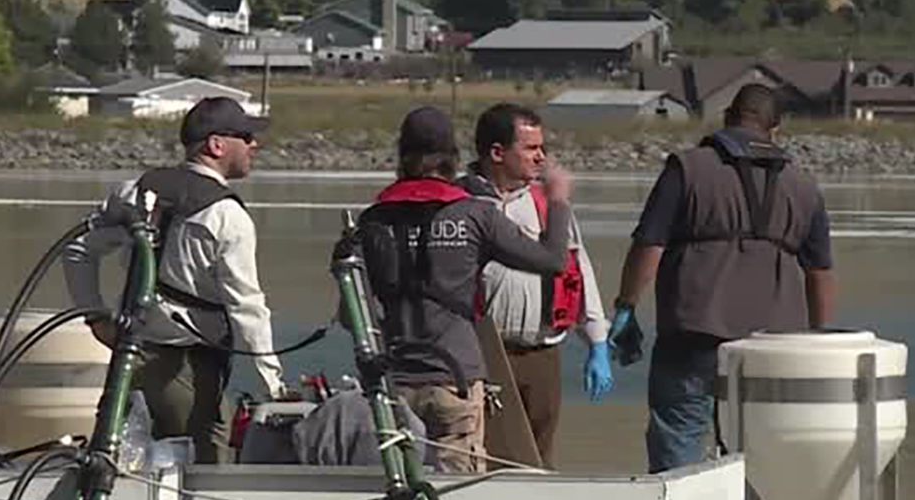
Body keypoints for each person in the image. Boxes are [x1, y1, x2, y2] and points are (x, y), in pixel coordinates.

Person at [609, 84, 836, 474]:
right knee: (761, 448)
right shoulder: (805, 188)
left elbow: (650, 245)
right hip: (775, 345)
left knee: (679, 436)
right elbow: (820, 273)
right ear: (775, 128)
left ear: (728, 117)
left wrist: (626, 308)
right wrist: (817, 337)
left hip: (694, 332)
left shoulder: (687, 168)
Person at [64, 97, 288, 464]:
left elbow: (76, 251)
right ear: (216, 145)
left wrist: (96, 317)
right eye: (246, 136)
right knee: (200, 480)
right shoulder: (228, 216)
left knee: (117, 465)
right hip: (187, 369)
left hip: (128, 358)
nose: (254, 145)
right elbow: (247, 308)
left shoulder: (134, 190)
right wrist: (274, 387)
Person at [357, 106, 572, 473]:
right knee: (458, 492)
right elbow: (552, 260)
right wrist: (558, 201)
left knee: (400, 483)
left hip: (394, 380)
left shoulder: (373, 220)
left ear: (402, 155)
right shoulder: (474, 215)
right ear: (453, 155)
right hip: (455, 377)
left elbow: (353, 314)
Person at [457, 103, 613, 468]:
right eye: (530, 148)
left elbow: (578, 270)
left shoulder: (547, 204)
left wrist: (597, 342)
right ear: (497, 152)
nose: (541, 157)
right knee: (483, 457)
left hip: (542, 354)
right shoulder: (460, 201)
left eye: (543, 148)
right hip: (483, 356)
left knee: (540, 460)